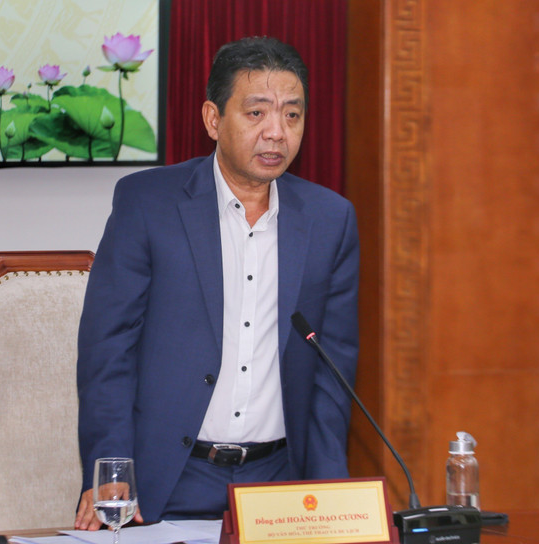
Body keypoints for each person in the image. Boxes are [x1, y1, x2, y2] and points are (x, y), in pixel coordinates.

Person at [74, 36, 359, 528]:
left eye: (292, 115)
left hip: (279, 484)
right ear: (213, 119)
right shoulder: (148, 204)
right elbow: (108, 348)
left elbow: (333, 374)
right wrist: (112, 467)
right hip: (167, 480)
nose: (276, 133)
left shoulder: (330, 219)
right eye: (256, 113)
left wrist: (330, 491)